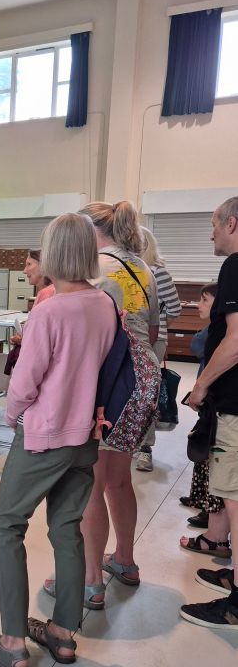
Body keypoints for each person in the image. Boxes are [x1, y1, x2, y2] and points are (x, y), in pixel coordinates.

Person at [0, 214, 115, 667]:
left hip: (44, 435)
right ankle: (64, 633)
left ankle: (11, 643)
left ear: (53, 253)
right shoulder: (104, 304)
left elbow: (25, 381)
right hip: (84, 436)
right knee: (67, 529)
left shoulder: (49, 311)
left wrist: (13, 416)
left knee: (6, 525)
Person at [72, 201, 160, 609]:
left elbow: (89, 335)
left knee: (91, 478)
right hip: (142, 379)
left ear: (92, 231)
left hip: (109, 383)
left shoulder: (94, 269)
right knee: (118, 478)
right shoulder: (143, 268)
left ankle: (89, 580)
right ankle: (124, 559)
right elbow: (152, 331)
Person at [180, 198, 238, 630]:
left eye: (214, 224)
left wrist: (200, 386)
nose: (211, 232)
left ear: (231, 223)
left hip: (234, 402)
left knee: (234, 495)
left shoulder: (235, 265)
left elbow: (235, 341)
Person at [135, 226, 181, 472]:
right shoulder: (126, 270)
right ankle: (131, 441)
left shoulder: (157, 272)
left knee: (147, 393)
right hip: (129, 341)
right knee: (132, 393)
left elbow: (174, 308)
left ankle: (145, 447)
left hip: (153, 340)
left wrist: (160, 327)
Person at [180, 283, 222, 529]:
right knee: (202, 450)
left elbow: (197, 344)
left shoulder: (217, 329)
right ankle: (199, 497)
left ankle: (209, 509)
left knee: (209, 454)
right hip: (209, 400)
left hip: (215, 400)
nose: (198, 305)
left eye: (204, 300)